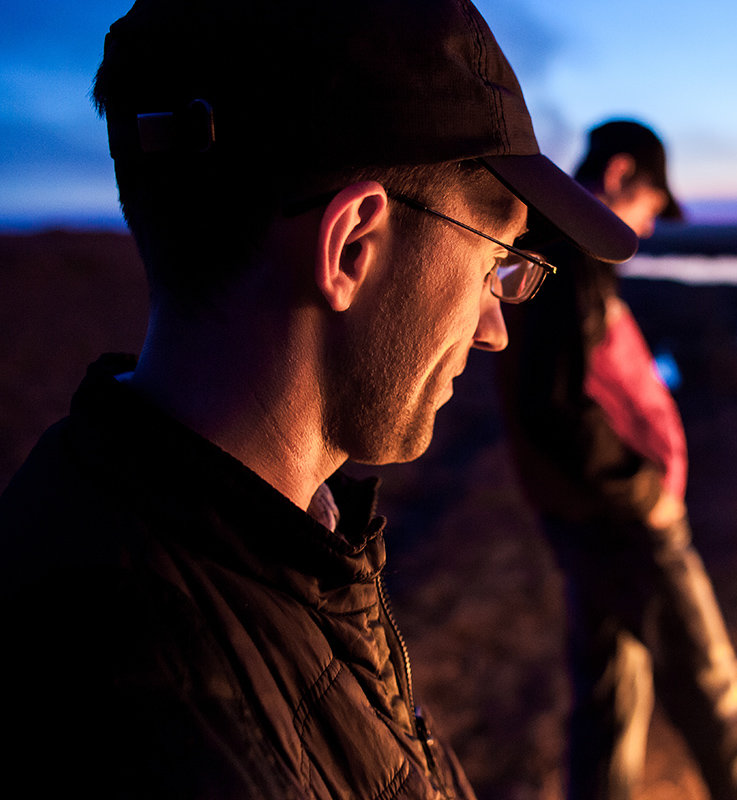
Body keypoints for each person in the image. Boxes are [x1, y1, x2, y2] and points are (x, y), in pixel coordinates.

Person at [0, 1, 637, 797]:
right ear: (352, 246)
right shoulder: (161, 717)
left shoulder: (260, 548)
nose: (495, 329)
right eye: (496, 262)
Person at [498, 120, 737, 800]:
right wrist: (644, 489)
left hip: (588, 517)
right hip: (620, 522)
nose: (648, 228)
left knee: (610, 702)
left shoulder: (556, 250)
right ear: (619, 175)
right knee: (713, 694)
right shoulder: (568, 252)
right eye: (650, 205)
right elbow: (554, 405)